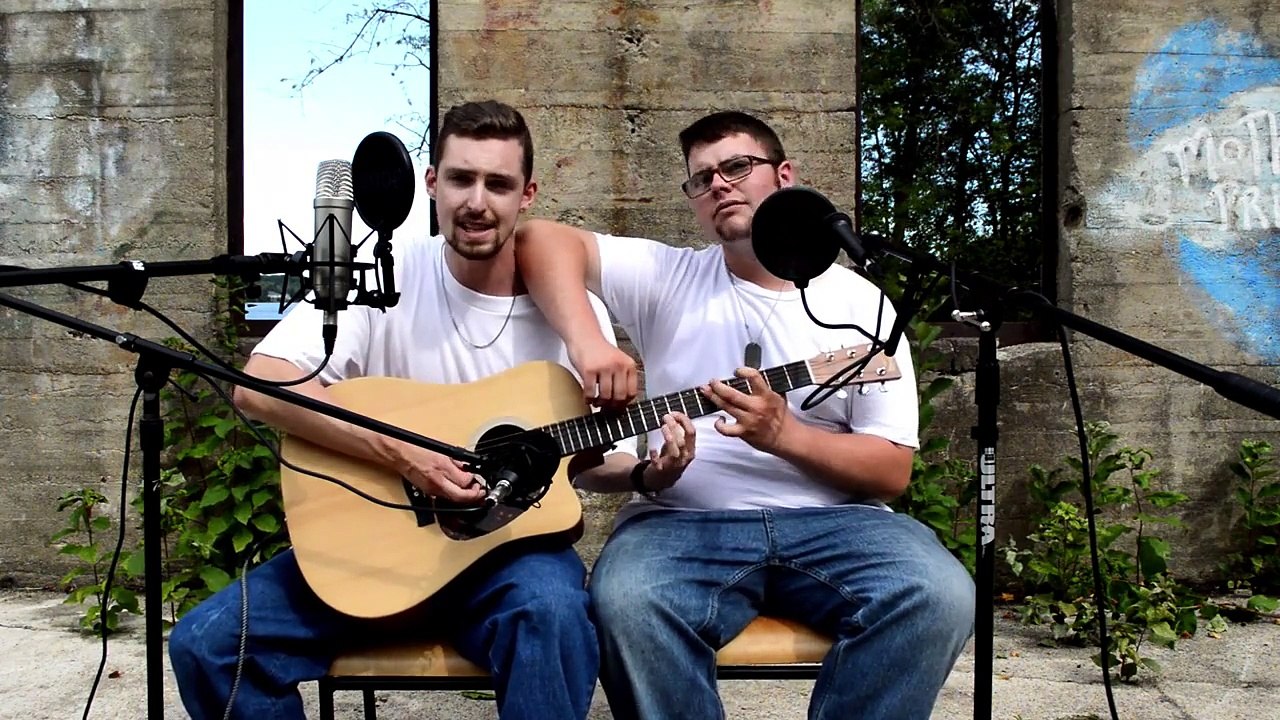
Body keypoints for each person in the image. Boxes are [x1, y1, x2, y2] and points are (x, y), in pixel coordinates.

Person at [168, 99, 693, 720]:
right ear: (431, 184)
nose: (477, 202)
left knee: (553, 616)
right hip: (380, 540)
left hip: (511, 555)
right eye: (460, 179)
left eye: (497, 184)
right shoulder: (382, 280)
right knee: (206, 644)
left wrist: (644, 475)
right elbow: (260, 384)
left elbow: (587, 463)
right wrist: (403, 453)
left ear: (527, 195)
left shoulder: (578, 319)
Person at [514, 110, 975, 719]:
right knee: (626, 600)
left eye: (736, 167)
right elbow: (540, 238)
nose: (719, 186)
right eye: (701, 180)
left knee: (938, 594)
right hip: (680, 524)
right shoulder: (668, 275)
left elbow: (890, 472)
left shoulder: (861, 302)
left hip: (840, 525)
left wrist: (785, 436)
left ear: (784, 176)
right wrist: (591, 344)